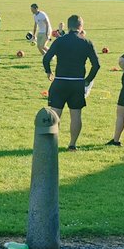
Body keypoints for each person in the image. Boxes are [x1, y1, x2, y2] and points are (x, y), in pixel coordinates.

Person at [43, 14, 100, 151]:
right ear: (81, 27)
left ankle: (51, 144)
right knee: (76, 115)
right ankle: (72, 144)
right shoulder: (86, 42)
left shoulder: (60, 41)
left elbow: (46, 58)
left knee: (55, 114)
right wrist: (87, 80)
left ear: (68, 26)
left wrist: (49, 72)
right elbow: (96, 65)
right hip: (77, 84)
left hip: (60, 81)